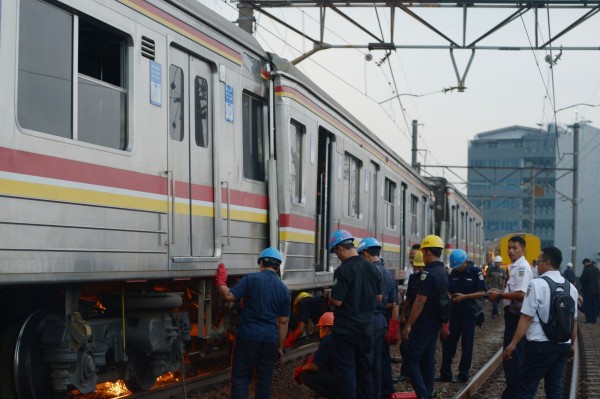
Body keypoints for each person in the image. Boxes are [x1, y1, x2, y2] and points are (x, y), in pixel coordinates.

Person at [215, 248, 291, 399]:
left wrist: (220, 281)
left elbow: (229, 296)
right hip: (270, 339)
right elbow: (283, 321)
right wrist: (280, 347)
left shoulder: (251, 279)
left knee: (241, 378)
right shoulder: (284, 290)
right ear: (277, 267)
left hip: (248, 337)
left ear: (261, 263)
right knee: (264, 381)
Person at [503, 246, 578, 398]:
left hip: (540, 345)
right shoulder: (571, 288)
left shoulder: (537, 284)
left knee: (526, 388)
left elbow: (526, 317)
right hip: (562, 346)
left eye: (539, 261)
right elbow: (574, 321)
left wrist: (514, 343)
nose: (537, 264)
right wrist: (571, 345)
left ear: (548, 263)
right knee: (554, 387)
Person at [329, 229, 382, 399]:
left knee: (347, 373)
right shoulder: (373, 269)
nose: (337, 256)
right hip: (367, 329)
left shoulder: (343, 270)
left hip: (346, 331)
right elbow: (379, 297)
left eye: (335, 252)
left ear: (340, 249)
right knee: (365, 371)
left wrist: (329, 294)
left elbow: (337, 301)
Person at [401, 235, 449, 399]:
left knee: (411, 360)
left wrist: (409, 324)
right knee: (428, 361)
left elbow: (420, 302)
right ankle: (427, 392)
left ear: (427, 253)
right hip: (434, 323)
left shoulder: (427, 274)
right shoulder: (442, 272)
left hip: (423, 324)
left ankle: (423, 395)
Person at [487, 235, 533, 399]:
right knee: (511, 358)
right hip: (513, 316)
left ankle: (514, 393)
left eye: (515, 248)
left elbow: (520, 294)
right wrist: (501, 292)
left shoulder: (522, 268)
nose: (511, 251)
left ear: (523, 249)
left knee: (514, 356)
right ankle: (513, 391)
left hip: (516, 317)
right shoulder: (515, 266)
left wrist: (500, 296)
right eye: (509, 248)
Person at [358, 237, 399, 399]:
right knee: (380, 360)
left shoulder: (369, 273)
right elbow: (393, 302)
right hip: (382, 322)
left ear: (366, 254)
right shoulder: (389, 274)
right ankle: (385, 391)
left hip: (369, 321)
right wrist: (393, 326)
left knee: (368, 364)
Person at [437, 249, 486, 383]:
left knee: (467, 345)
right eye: (455, 267)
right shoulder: (453, 273)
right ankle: (445, 373)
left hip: (469, 314)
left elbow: (482, 293)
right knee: (448, 344)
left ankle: (463, 374)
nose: (457, 269)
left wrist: (464, 297)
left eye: (459, 266)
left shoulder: (476, 272)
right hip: (454, 313)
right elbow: (448, 290)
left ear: (465, 261)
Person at [395, 249, 426, 383]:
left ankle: (419, 372)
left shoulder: (429, 277)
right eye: (416, 267)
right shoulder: (413, 278)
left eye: (419, 267)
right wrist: (402, 314)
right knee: (405, 345)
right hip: (409, 314)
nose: (417, 269)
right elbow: (409, 298)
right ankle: (405, 371)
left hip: (422, 316)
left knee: (418, 346)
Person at [293, 312, 340, 399]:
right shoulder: (340, 337)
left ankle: (333, 395)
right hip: (349, 376)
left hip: (338, 379)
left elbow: (315, 366)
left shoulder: (327, 341)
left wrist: (300, 369)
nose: (319, 331)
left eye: (320, 328)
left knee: (306, 375)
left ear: (327, 328)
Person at [579, 258, 600, 323]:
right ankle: (594, 320)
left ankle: (589, 319)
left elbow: (582, 280)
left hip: (588, 291)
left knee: (587, 305)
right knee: (594, 306)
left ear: (585, 263)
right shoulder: (597, 270)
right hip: (597, 291)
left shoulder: (586, 270)